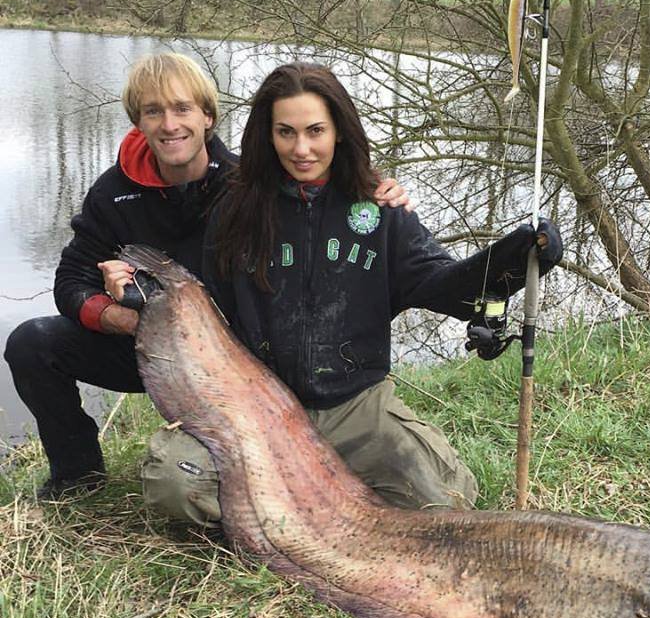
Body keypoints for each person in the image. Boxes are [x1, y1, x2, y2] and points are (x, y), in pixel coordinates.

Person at [139, 61, 562, 520]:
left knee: (445, 501)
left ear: (339, 130)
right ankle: (300, 514)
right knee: (172, 486)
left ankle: (288, 503)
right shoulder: (234, 209)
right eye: (285, 133)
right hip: (256, 408)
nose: (301, 148)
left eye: (315, 130)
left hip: (354, 405)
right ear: (268, 135)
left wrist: (516, 258)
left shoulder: (380, 209)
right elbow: (207, 310)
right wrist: (136, 293)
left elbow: (447, 289)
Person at [4, 53, 410, 500]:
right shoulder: (111, 193)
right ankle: (78, 476)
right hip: (147, 346)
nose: (169, 124)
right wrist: (117, 314)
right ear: (137, 121)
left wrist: (371, 190)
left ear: (208, 117)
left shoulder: (246, 183)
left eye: (182, 109)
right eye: (153, 111)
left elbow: (318, 195)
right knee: (32, 343)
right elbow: (70, 282)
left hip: (233, 360)